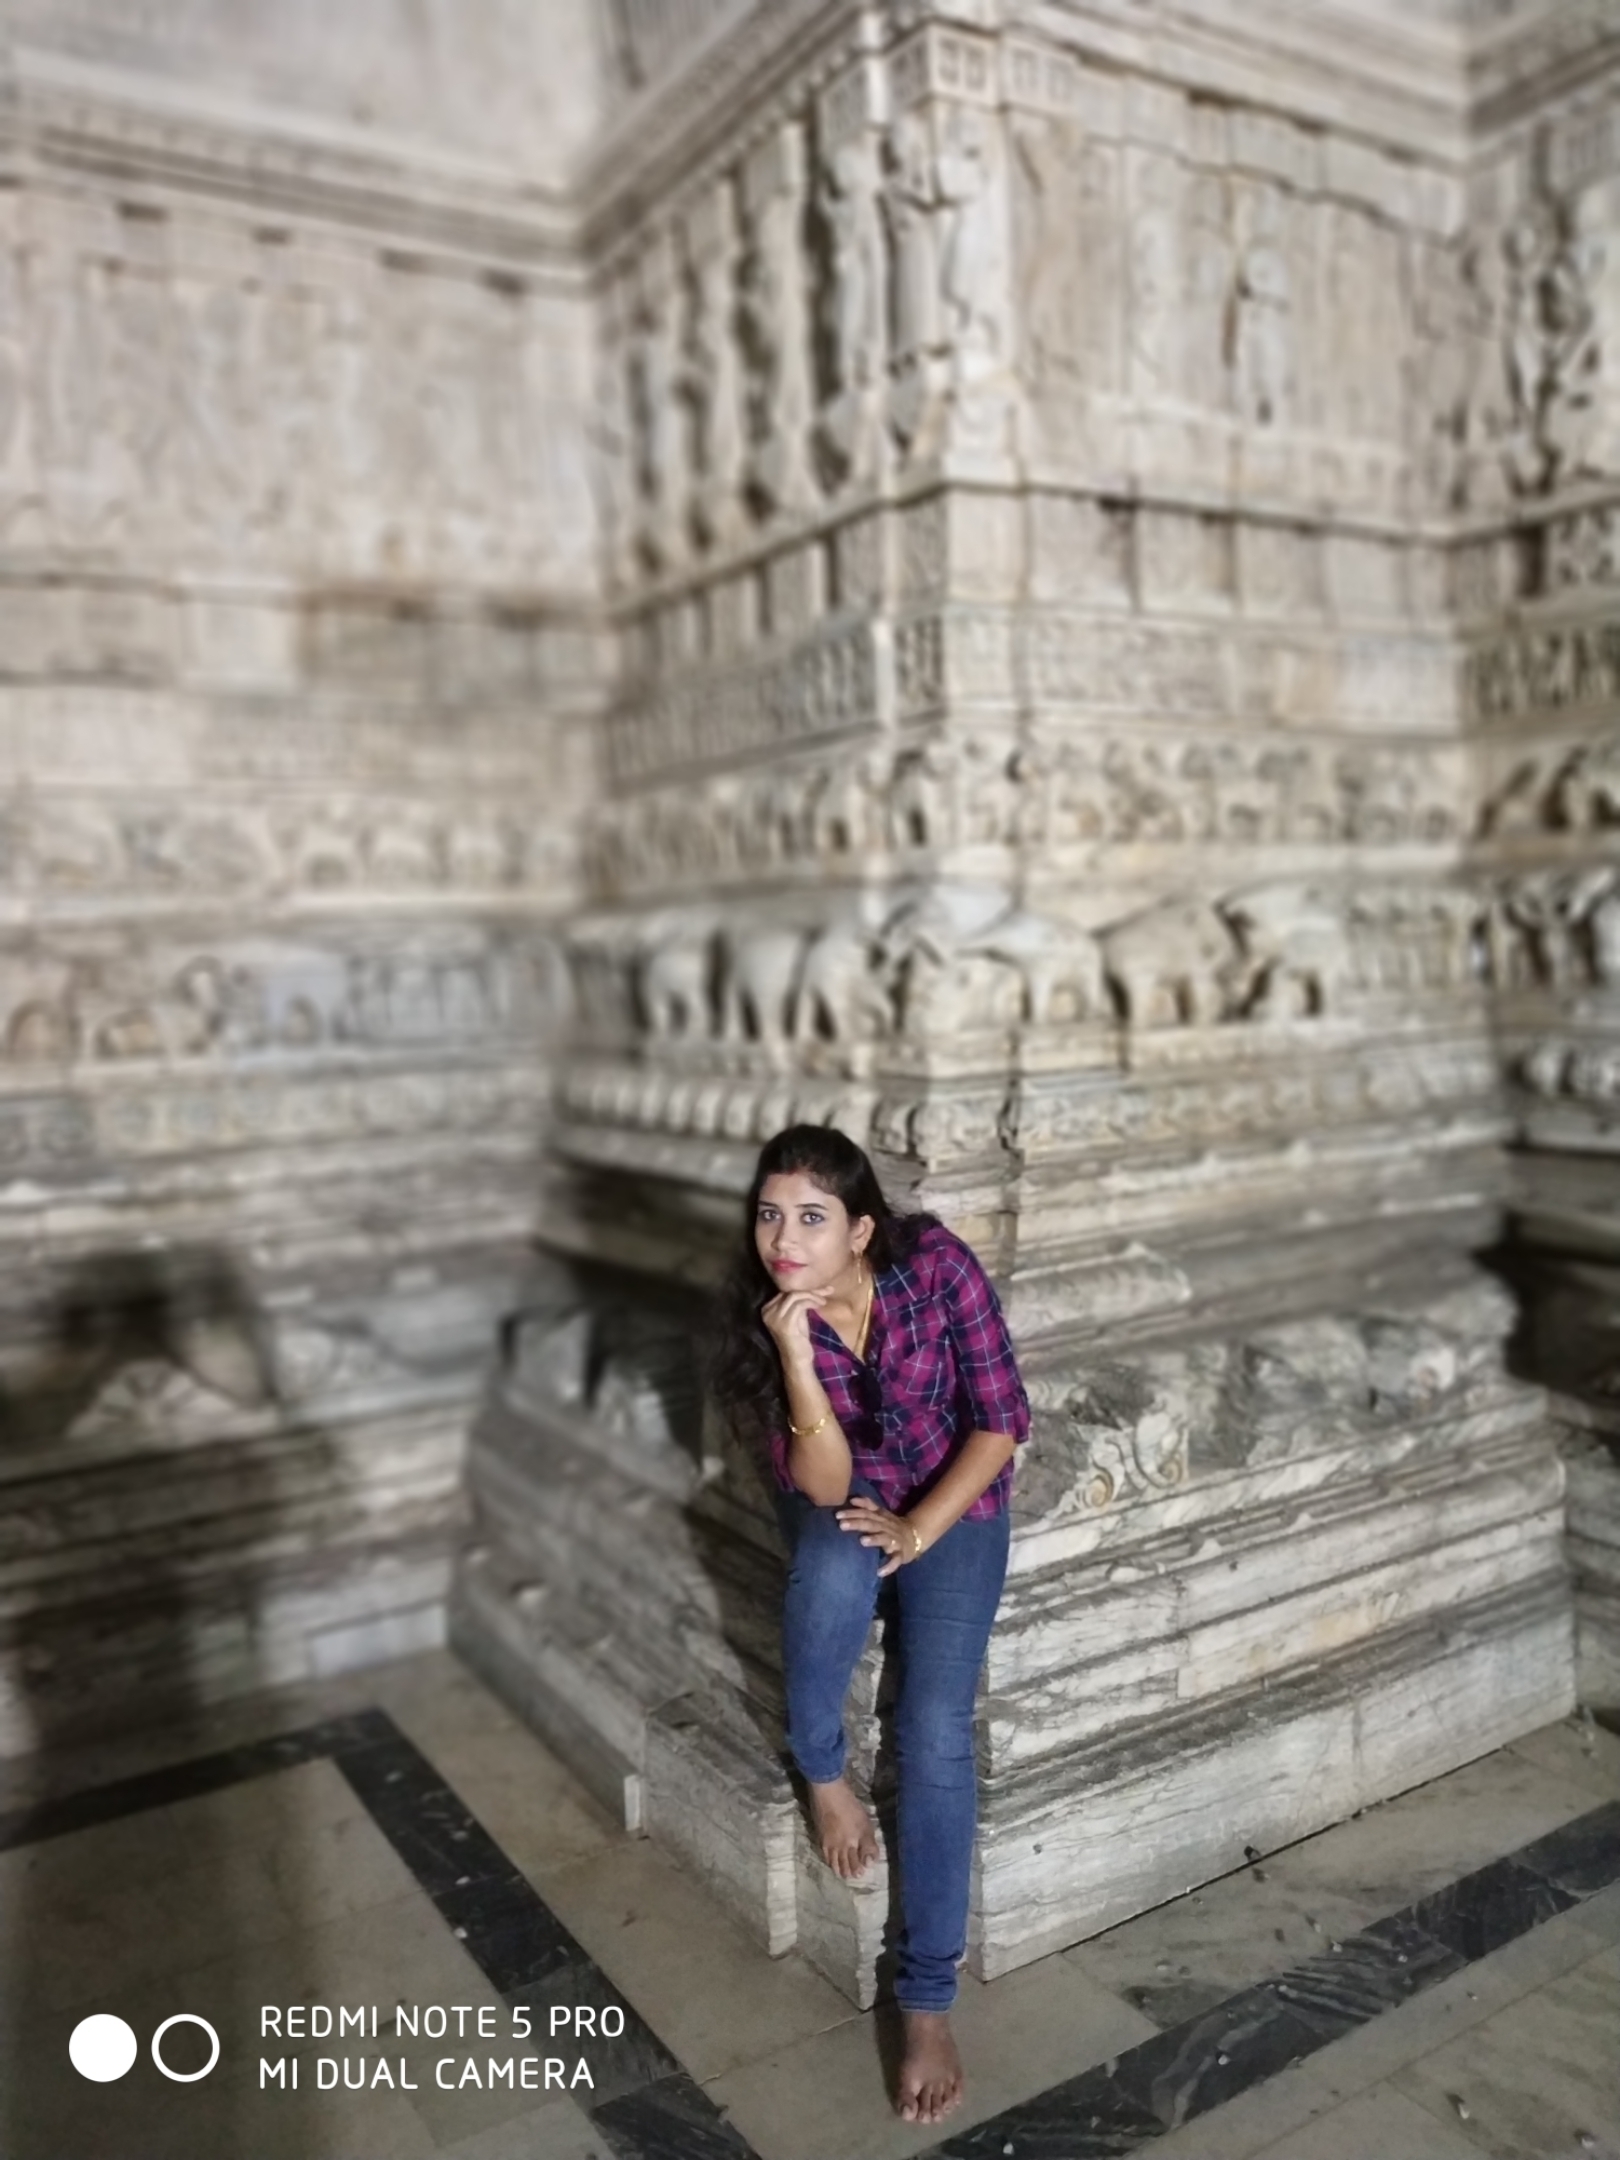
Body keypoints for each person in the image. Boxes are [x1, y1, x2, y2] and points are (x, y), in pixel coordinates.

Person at [712, 1123, 1030, 2126]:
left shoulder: (934, 1268)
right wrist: (796, 1357)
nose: (783, 1239)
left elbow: (1002, 1421)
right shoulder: (765, 1316)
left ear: (860, 1230)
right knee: (832, 1569)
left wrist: (920, 1529)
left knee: (934, 1728)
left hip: (956, 1503)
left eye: (811, 1217)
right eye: (770, 1214)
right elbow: (823, 1484)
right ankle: (821, 1771)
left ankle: (927, 2001)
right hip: (845, 1497)